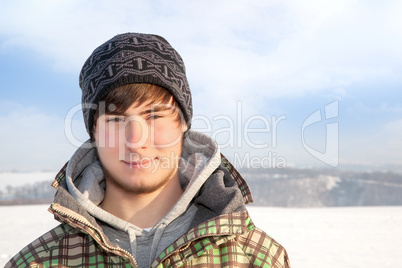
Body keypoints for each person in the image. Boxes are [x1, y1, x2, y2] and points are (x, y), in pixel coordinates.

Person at [6, 33, 290, 268]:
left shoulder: (255, 258)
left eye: (154, 116)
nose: (135, 140)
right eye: (116, 120)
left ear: (182, 125)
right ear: (94, 133)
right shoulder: (37, 262)